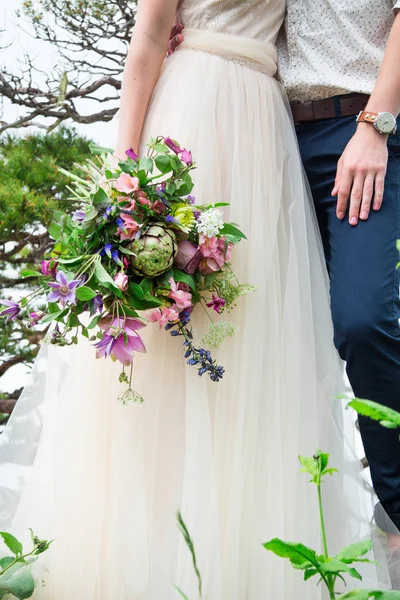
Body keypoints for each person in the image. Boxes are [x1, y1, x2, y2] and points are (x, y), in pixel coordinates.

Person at [0, 0, 393, 598]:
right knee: (175, 336)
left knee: (274, 341)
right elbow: (148, 41)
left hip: (287, 134)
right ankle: (149, 553)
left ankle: (260, 549)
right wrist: (122, 181)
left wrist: (377, 122)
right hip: (206, 117)